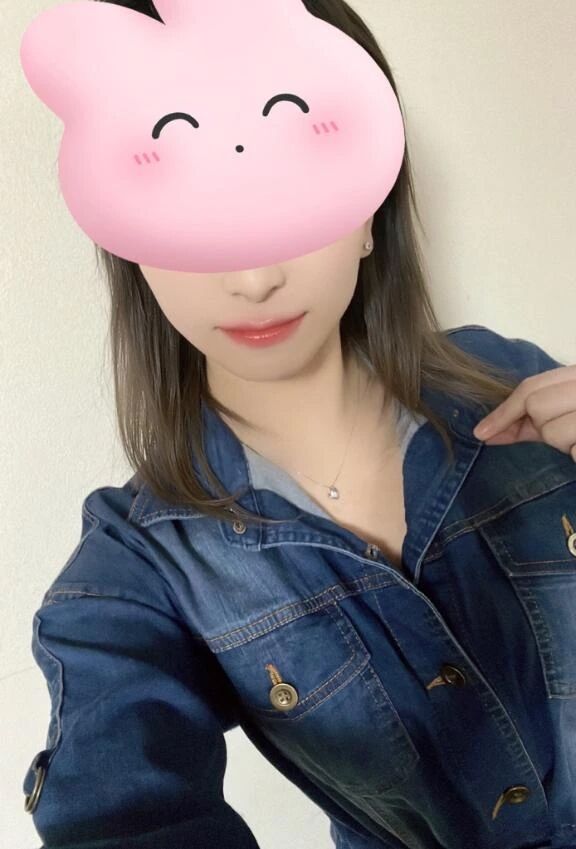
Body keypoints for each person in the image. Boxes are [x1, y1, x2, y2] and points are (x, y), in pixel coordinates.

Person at [21, 1, 574, 848]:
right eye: (192, 212)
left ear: (370, 212)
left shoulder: (517, 380)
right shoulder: (137, 570)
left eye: (291, 192)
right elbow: (119, 800)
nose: (254, 278)